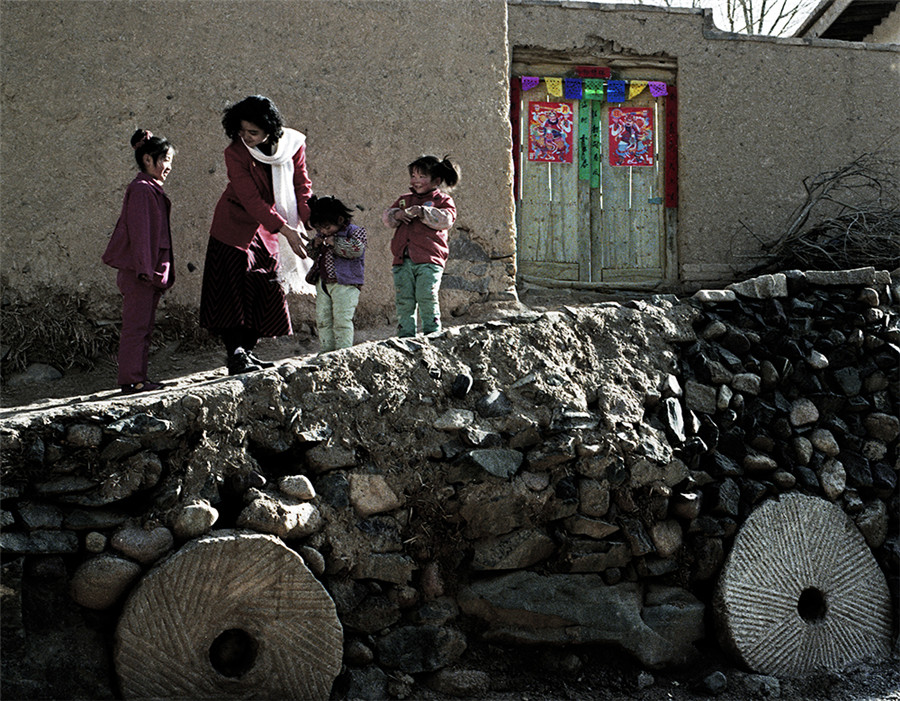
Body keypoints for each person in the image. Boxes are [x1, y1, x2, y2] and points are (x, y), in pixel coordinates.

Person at [199, 95, 312, 375]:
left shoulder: (293, 146)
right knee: (231, 292)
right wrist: (285, 229)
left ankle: (248, 352)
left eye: (253, 132)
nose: (246, 138)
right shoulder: (236, 153)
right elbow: (250, 199)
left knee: (261, 289)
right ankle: (235, 354)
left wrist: (310, 224)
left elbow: (301, 186)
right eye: (241, 131)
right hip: (234, 227)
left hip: (267, 230)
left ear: (270, 130)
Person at [102, 129, 176, 395]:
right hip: (140, 272)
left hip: (146, 270)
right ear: (148, 159)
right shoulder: (142, 190)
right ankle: (132, 380)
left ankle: (138, 378)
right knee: (136, 328)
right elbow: (140, 233)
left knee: (143, 327)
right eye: (165, 159)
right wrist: (146, 270)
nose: (169, 166)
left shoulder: (149, 189)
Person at [382, 155, 460, 337]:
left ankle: (432, 334)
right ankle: (406, 335)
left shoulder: (443, 201)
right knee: (404, 299)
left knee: (427, 296)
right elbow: (387, 219)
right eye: (414, 176)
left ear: (436, 180)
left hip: (429, 260)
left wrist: (423, 212)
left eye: (422, 176)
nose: (416, 181)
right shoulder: (404, 200)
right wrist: (397, 214)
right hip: (402, 260)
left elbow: (446, 220)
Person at [306, 195, 367, 352]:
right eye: (319, 229)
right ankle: (327, 351)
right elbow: (311, 254)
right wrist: (314, 244)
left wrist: (336, 242)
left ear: (340, 220)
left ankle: (342, 352)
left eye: (326, 228)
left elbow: (356, 250)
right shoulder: (322, 236)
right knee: (323, 319)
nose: (323, 231)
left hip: (345, 284)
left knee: (342, 320)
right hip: (324, 283)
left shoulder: (355, 232)